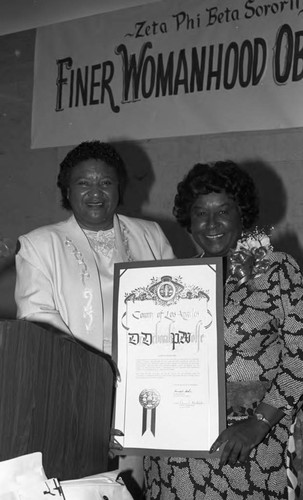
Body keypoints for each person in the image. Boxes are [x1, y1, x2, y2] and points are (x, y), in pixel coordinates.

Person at [144, 160, 303, 499]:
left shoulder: (276, 270)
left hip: (250, 449)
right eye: (200, 212)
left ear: (242, 214)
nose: (211, 223)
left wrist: (259, 423)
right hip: (175, 454)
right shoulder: (173, 282)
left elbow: (300, 357)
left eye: (223, 211)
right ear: (189, 220)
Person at [15, 140, 174, 355]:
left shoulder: (150, 234)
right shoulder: (38, 245)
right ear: (68, 191)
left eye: (106, 183)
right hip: (76, 371)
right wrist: (92, 364)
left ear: (119, 188)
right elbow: (35, 317)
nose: (96, 193)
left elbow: (175, 301)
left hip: (148, 364)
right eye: (83, 183)